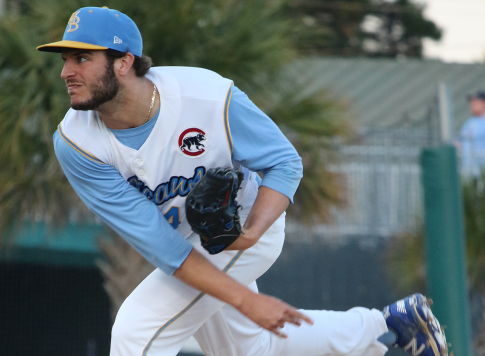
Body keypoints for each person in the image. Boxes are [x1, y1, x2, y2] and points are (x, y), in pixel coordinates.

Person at [38, 6, 447, 356]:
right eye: (65, 60)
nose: (66, 72)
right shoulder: (77, 144)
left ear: (124, 61)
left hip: (242, 229)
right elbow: (158, 242)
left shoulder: (207, 97)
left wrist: (251, 234)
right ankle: (391, 325)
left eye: (81, 58)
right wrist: (246, 301)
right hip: (182, 246)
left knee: (137, 330)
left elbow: (285, 163)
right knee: (254, 349)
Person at [458, 91, 485, 178]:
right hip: (470, 171)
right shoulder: (469, 122)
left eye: (476, 102)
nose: (472, 104)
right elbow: (459, 141)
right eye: (472, 103)